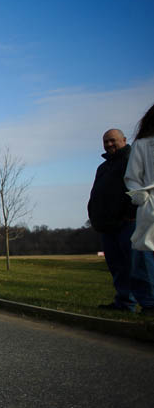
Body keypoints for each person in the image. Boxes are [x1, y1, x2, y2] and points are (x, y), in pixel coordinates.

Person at [88, 128, 154, 313]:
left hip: (129, 222)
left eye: (113, 140)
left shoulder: (133, 160)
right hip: (108, 226)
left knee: (139, 266)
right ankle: (125, 302)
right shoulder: (103, 167)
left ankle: (150, 304)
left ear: (124, 140)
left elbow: (143, 189)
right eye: (106, 141)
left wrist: (131, 212)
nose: (109, 144)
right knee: (118, 267)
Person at [124, 103, 154, 316]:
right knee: (144, 258)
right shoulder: (143, 145)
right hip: (150, 205)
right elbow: (133, 177)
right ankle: (149, 304)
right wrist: (140, 196)